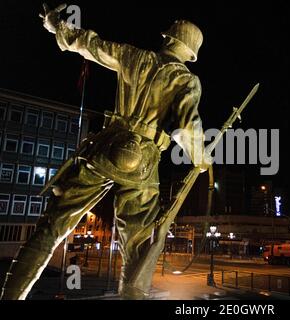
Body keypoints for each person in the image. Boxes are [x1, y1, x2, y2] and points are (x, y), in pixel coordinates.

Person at [1, 3, 210, 300]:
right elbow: (186, 127)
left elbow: (90, 44)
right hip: (143, 163)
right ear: (190, 52)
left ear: (168, 39)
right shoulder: (186, 80)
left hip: (105, 147)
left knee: (51, 227)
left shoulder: (134, 56)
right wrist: (200, 157)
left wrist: (57, 27)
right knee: (137, 247)